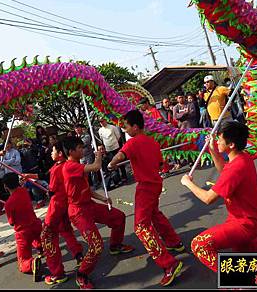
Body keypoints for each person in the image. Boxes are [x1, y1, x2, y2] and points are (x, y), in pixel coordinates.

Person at [180, 121, 257, 272]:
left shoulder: (236, 167)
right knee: (246, 255)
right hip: (242, 219)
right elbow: (224, 170)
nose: (217, 141)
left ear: (231, 145)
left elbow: (208, 198)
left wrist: (188, 183)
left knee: (199, 245)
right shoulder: (240, 158)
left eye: (219, 139)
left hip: (244, 224)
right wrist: (213, 150)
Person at [108, 110, 184, 287]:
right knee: (154, 214)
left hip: (145, 188)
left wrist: (111, 164)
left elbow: (119, 156)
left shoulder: (132, 143)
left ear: (135, 126)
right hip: (156, 183)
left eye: (126, 127)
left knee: (141, 227)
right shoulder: (152, 142)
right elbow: (159, 164)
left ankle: (169, 264)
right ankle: (174, 242)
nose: (125, 130)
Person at [62, 136, 134, 289]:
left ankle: (115, 245)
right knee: (96, 245)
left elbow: (86, 189)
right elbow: (96, 167)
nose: (82, 150)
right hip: (78, 212)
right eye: (79, 148)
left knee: (118, 217)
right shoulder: (69, 166)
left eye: (82, 147)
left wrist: (103, 198)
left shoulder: (77, 165)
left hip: (89, 205)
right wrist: (99, 155)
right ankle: (82, 274)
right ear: (71, 151)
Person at [40, 141, 84, 285]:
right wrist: (31, 176)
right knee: (66, 230)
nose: (51, 153)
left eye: (53, 151)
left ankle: (57, 273)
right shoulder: (66, 165)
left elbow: (52, 188)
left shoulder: (56, 169)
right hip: (66, 203)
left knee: (48, 237)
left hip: (56, 206)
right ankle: (78, 255)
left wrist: (48, 190)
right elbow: (45, 175)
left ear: (59, 154)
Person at [2, 172, 43, 282]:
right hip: (35, 225)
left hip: (23, 232)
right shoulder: (24, 191)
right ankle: (41, 248)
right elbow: (16, 191)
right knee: (36, 237)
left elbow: (11, 222)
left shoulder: (8, 204)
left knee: (22, 261)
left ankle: (32, 264)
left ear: (5, 186)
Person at [98, 119, 128, 183]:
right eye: (100, 122)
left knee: (120, 162)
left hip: (116, 147)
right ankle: (117, 178)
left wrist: (114, 143)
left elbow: (118, 136)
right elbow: (102, 139)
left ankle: (124, 177)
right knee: (112, 164)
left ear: (105, 120)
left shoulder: (112, 127)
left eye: (102, 121)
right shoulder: (100, 130)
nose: (101, 123)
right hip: (108, 149)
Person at [74, 123, 99, 189]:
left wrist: (77, 145)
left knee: (92, 170)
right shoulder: (75, 137)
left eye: (78, 128)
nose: (77, 130)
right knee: (83, 172)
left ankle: (95, 183)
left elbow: (84, 143)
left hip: (88, 155)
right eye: (76, 128)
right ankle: (87, 185)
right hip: (81, 157)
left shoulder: (86, 135)